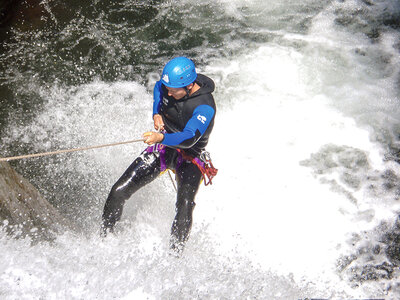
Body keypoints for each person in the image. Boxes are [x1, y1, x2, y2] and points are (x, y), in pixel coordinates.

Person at [101, 56, 217, 254]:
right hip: (164, 148)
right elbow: (158, 88)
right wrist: (157, 113)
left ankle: (175, 255)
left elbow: (189, 138)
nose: (168, 93)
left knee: (185, 205)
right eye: (168, 88)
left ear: (189, 85)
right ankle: (104, 240)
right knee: (119, 190)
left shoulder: (204, 107)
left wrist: (160, 137)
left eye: (173, 90)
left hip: (190, 157)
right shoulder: (168, 87)